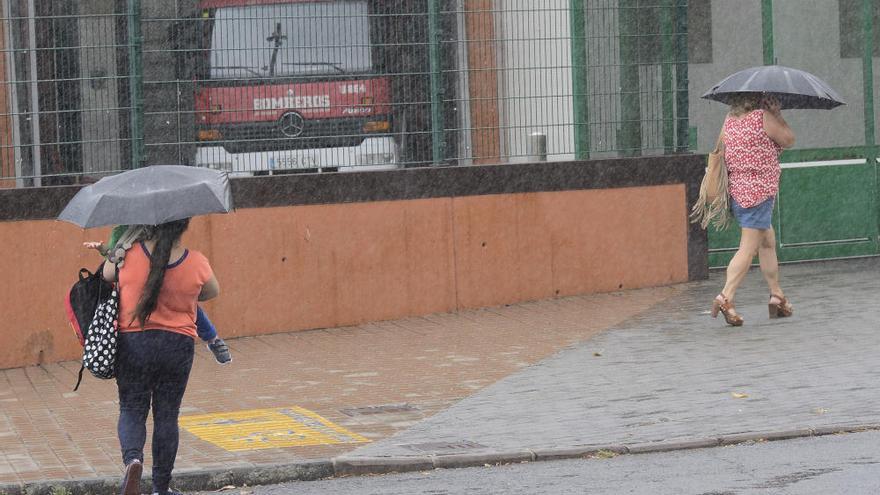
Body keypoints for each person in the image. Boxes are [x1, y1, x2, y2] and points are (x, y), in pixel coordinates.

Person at [102, 218, 220, 495]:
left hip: (134, 344)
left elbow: (107, 274)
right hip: (177, 346)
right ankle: (160, 488)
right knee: (167, 416)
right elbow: (212, 291)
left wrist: (120, 247)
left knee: (132, 409)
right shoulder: (197, 261)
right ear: (184, 226)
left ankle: (133, 460)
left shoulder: (129, 254)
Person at [86, 225, 231, 364]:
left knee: (188, 303)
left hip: (163, 274)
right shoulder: (122, 232)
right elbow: (113, 260)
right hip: (138, 284)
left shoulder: (160, 226)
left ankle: (212, 339)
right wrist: (103, 249)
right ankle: (212, 338)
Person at [711, 93, 795, 326]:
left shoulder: (729, 120)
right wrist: (777, 114)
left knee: (767, 241)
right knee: (747, 249)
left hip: (738, 192)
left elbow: (723, 149)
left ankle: (777, 295)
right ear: (758, 100)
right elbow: (788, 139)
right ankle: (726, 296)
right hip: (759, 194)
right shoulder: (763, 117)